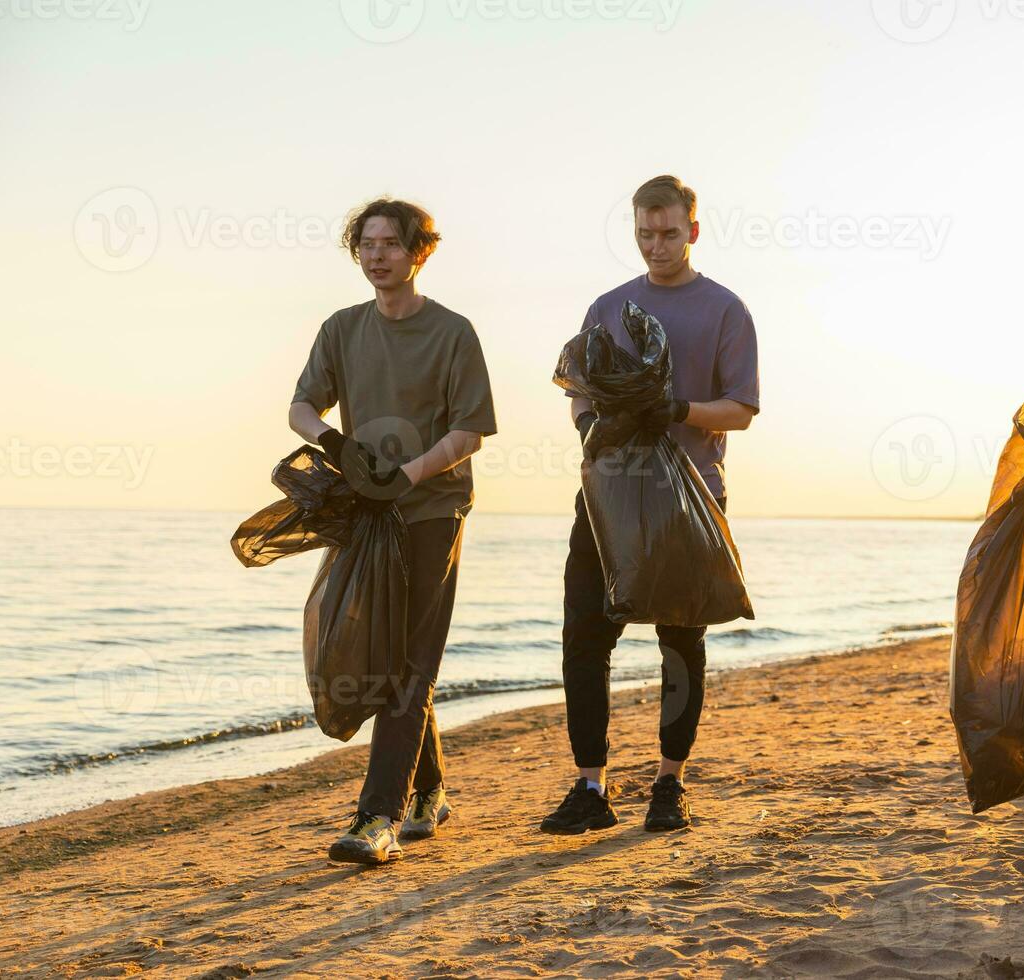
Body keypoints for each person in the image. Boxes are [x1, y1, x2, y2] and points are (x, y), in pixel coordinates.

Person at [540, 175, 760, 835]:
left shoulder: (724, 310)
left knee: (679, 641)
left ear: (693, 230)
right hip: (607, 498)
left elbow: (743, 409)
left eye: (668, 233)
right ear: (634, 229)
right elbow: (577, 387)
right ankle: (591, 787)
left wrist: (676, 410)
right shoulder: (607, 306)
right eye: (644, 233)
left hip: (687, 497)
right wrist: (587, 427)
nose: (655, 245)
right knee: (584, 636)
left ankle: (669, 784)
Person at [288, 198, 497, 864]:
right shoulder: (342, 328)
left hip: (434, 511)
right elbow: (299, 407)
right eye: (366, 245)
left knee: (411, 661)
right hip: (366, 515)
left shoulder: (453, 332)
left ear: (419, 252)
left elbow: (469, 432)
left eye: (389, 244)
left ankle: (376, 817)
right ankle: (431, 790)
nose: (376, 255)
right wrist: (336, 445)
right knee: (378, 651)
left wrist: (409, 474)